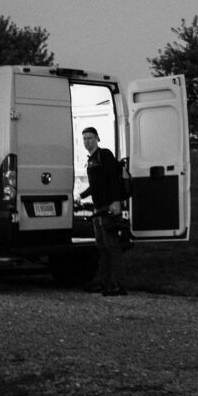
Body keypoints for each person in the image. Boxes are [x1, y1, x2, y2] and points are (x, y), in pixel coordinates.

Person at [78, 126, 128, 296]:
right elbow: (96, 185)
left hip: (108, 207)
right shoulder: (91, 159)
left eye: (90, 138)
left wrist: (116, 201)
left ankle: (117, 284)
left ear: (97, 139)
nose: (87, 141)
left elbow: (113, 179)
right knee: (101, 246)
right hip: (98, 209)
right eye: (84, 138)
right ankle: (105, 282)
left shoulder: (104, 155)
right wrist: (81, 195)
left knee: (111, 246)